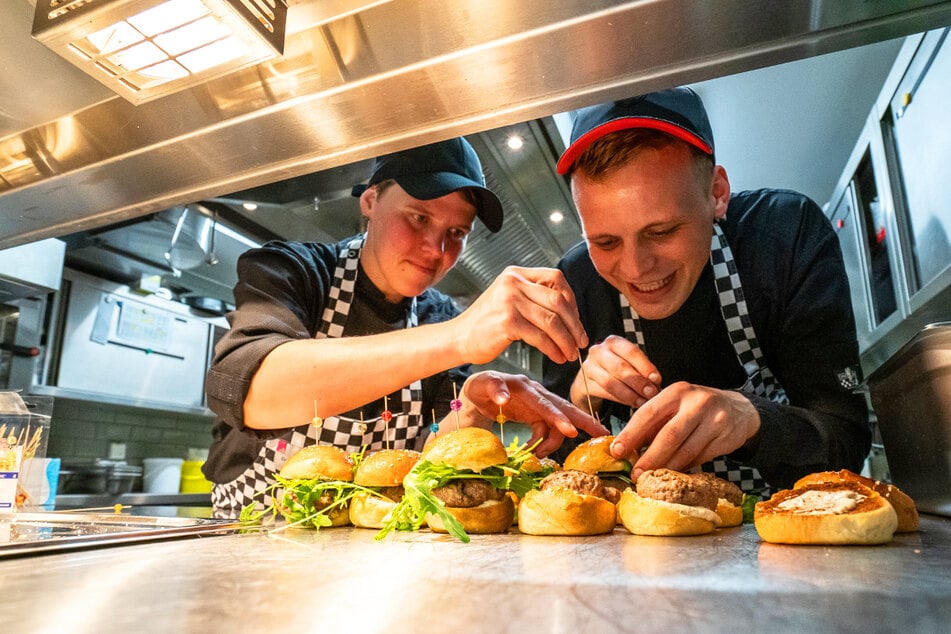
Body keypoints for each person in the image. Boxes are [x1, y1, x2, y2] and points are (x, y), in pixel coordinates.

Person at [203, 137, 608, 517]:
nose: (436, 249)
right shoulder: (297, 272)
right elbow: (252, 390)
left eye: (456, 233)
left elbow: (432, 445)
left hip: (380, 546)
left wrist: (471, 404)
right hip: (258, 532)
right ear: (370, 200)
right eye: (418, 217)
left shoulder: (439, 315)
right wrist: (457, 338)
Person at [544, 87, 870, 496]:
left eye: (661, 232)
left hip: (784, 535)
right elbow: (552, 470)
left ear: (717, 193)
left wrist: (753, 421)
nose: (635, 268)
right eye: (606, 242)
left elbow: (847, 440)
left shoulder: (785, 236)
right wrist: (580, 400)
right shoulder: (576, 282)